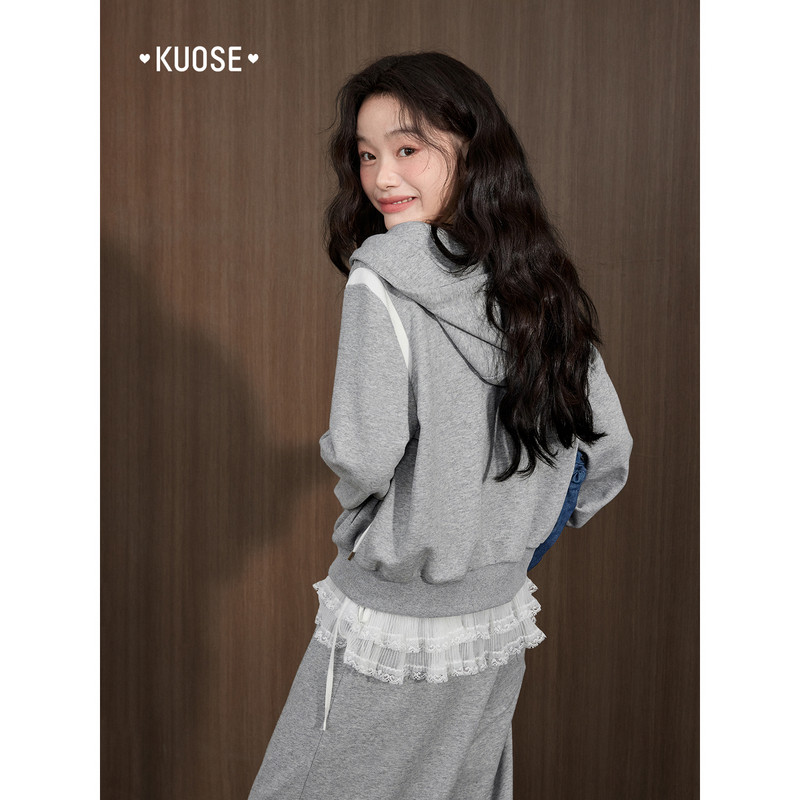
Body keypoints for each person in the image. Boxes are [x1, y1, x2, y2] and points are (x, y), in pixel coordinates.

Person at [247, 51, 633, 800]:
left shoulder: (382, 274)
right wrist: (511, 539)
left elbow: (363, 452)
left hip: (393, 614)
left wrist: (365, 514)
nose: (382, 178)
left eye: (408, 149)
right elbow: (605, 450)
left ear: (471, 148)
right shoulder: (539, 283)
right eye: (367, 155)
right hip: (494, 617)